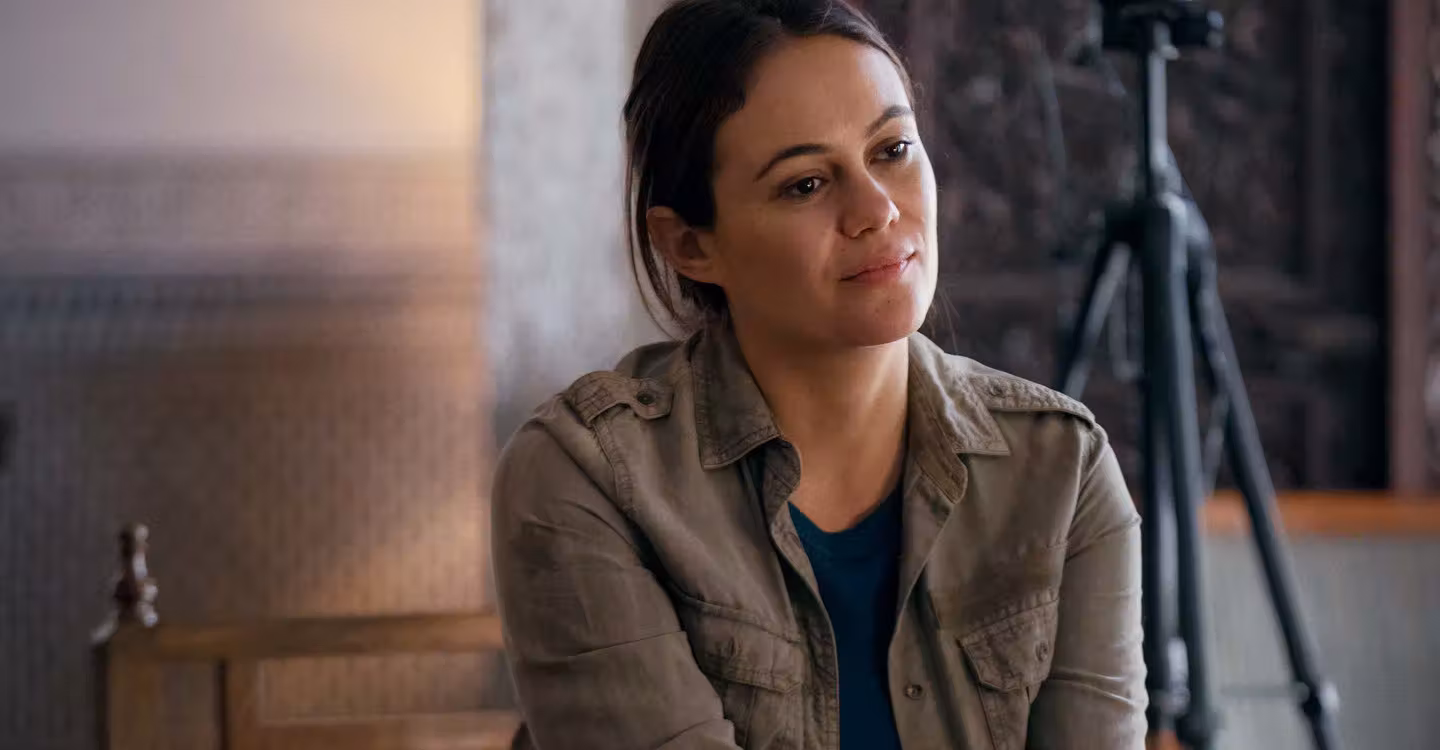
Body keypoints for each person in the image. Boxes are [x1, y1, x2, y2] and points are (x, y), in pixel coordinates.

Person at [490, 1, 1146, 747]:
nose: (876, 209)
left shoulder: (1061, 467)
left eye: (893, 149)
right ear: (691, 245)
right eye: (805, 184)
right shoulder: (589, 478)